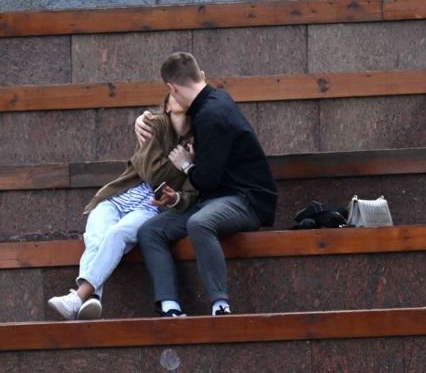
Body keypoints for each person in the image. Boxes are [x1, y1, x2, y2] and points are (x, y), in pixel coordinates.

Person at [135, 51, 277, 317]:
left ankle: (220, 305)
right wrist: (142, 120)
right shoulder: (212, 102)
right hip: (215, 199)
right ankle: (170, 306)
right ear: (201, 75)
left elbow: (206, 179)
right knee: (150, 231)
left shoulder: (211, 114)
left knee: (200, 223)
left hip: (247, 200)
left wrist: (186, 164)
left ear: (171, 88)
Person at [47, 90, 196, 321]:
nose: (179, 95)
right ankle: (92, 299)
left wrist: (185, 171)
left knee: (117, 234)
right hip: (116, 198)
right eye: (173, 94)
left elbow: (190, 192)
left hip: (148, 208)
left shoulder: (197, 143)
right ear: (166, 106)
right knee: (96, 237)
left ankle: (77, 298)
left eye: (183, 93)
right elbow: (150, 171)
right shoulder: (152, 125)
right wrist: (178, 164)